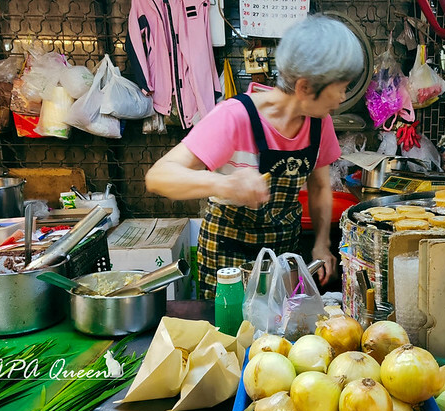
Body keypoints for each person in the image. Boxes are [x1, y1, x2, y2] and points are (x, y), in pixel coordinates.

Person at [145, 15, 364, 299]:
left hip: (282, 256)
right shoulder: (236, 116)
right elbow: (159, 177)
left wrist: (322, 243)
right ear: (305, 87)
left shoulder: (319, 122)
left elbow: (321, 186)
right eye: (341, 88)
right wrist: (223, 184)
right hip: (228, 260)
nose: (342, 98)